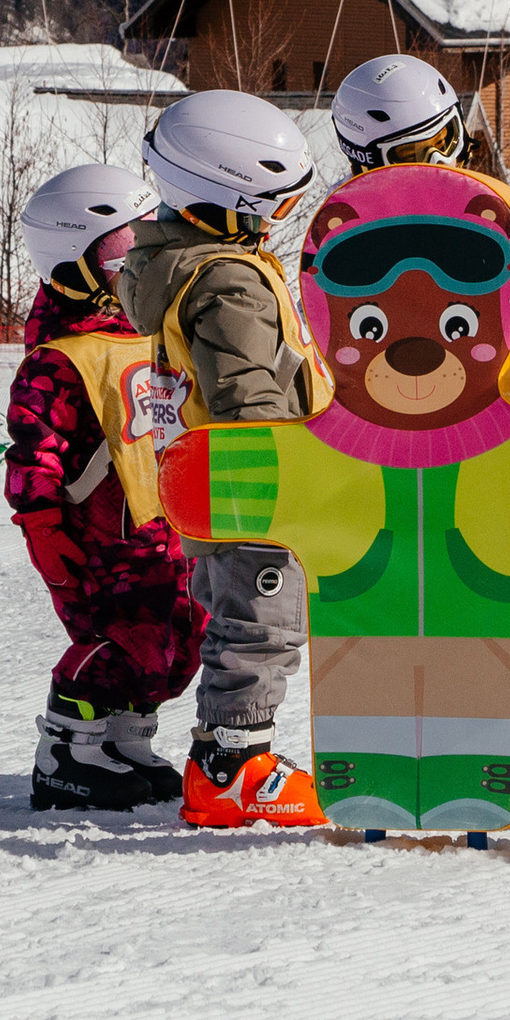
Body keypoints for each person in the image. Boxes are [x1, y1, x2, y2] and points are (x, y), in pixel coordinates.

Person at [120, 89, 336, 830]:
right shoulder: (229, 279)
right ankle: (230, 768)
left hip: (209, 484)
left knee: (241, 617)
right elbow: (248, 395)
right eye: (274, 208)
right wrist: (289, 479)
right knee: (260, 625)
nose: (279, 224)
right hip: (253, 485)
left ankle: (232, 755)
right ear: (225, 202)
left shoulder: (172, 264)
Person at [8, 165, 203, 811]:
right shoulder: (59, 359)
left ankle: (123, 740)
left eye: (144, 243)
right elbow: (34, 452)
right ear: (73, 261)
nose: (136, 262)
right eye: (121, 250)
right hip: (96, 541)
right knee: (123, 644)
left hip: (160, 527)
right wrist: (42, 526)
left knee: (179, 638)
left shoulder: (148, 332)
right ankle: (67, 751)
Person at [331, 54, 468, 171]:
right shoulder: (349, 203)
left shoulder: (479, 197)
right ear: (367, 163)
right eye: (412, 156)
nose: (440, 165)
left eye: (444, 143)